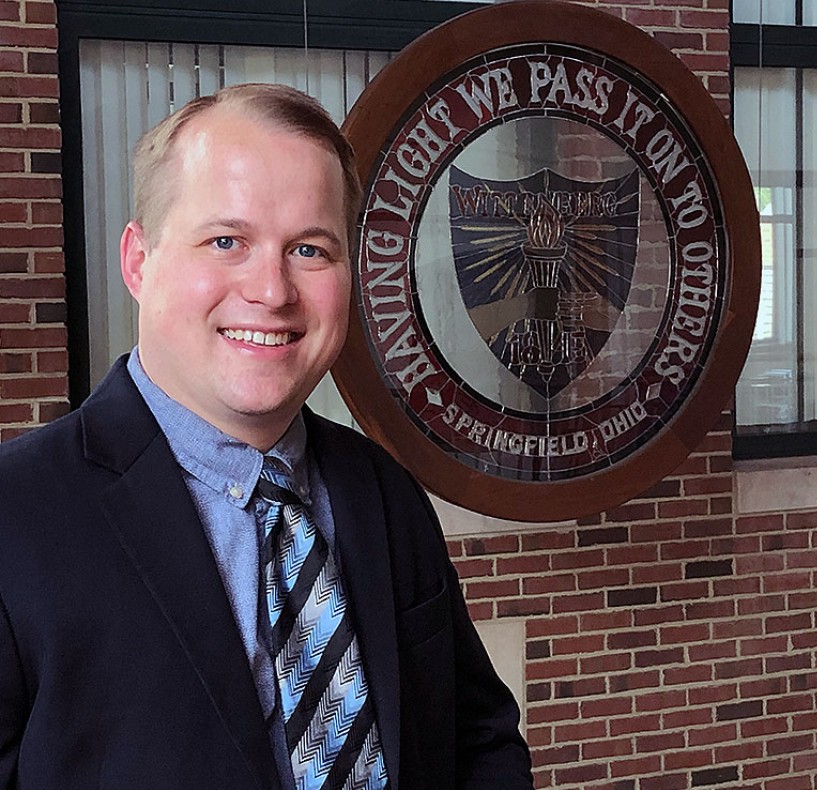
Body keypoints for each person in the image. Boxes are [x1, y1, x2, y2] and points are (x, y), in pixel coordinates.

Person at [0, 83, 533, 789]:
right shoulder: (15, 516)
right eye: (227, 241)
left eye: (310, 250)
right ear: (138, 261)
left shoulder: (384, 492)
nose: (272, 290)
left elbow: (477, 742)